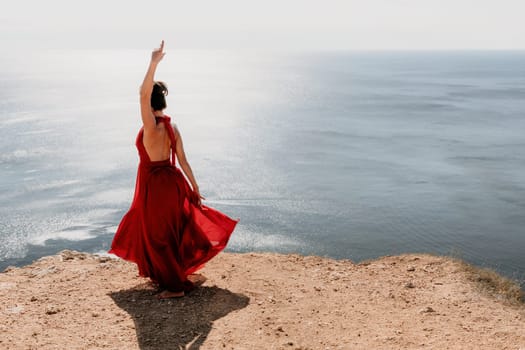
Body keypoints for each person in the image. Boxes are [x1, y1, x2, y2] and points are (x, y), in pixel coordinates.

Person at [109, 40, 238, 299]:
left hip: (154, 187)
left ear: (150, 104)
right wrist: (194, 188)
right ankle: (169, 276)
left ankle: (174, 287)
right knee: (170, 231)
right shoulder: (172, 127)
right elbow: (184, 161)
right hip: (174, 182)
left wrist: (153, 63)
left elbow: (142, 94)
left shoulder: (151, 127)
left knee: (156, 235)